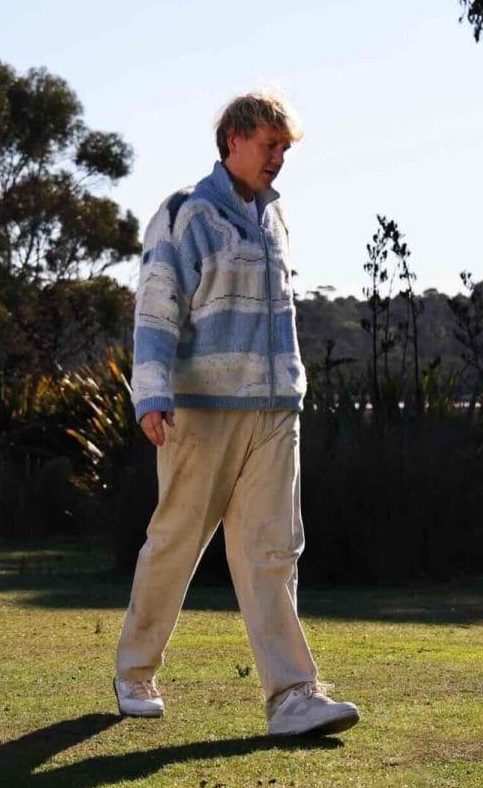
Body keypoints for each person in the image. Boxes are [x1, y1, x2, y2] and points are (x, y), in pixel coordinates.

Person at [114, 90, 360, 737]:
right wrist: (152, 393)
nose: (278, 158)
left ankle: (292, 697)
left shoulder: (274, 221)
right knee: (176, 543)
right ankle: (135, 671)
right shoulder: (186, 214)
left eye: (284, 148)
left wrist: (292, 390)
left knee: (273, 552)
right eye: (269, 145)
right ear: (233, 141)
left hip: (277, 411)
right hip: (200, 412)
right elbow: (158, 307)